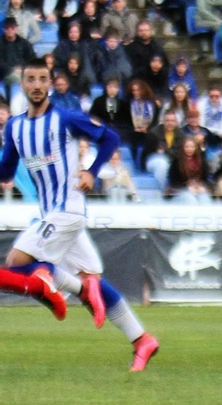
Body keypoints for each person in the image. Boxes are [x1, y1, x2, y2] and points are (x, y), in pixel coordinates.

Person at [0, 59, 160, 371]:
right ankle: (142, 340)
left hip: (67, 210)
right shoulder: (16, 127)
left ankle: (63, 288)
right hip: (54, 215)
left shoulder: (65, 118)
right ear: (22, 84)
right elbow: (6, 169)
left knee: (16, 263)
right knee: (94, 284)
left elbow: (110, 138)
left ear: (50, 84)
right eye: (30, 79)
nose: (36, 85)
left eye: (42, 79)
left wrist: (91, 171)